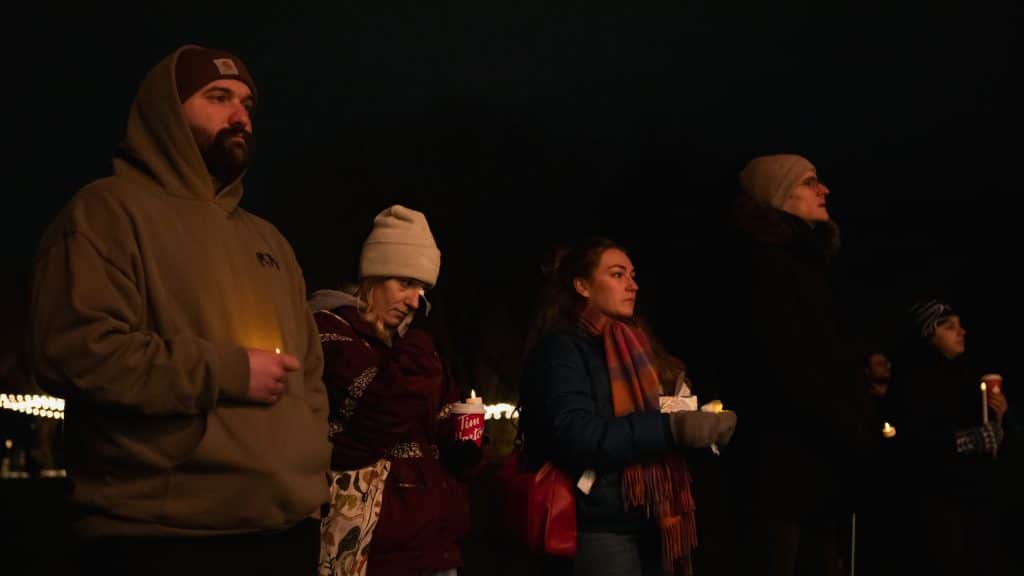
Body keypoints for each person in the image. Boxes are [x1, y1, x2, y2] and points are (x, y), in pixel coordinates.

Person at [29, 45, 330, 574]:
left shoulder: (269, 240)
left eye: (247, 103)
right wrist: (226, 371)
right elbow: (77, 352)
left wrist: (310, 462)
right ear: (167, 112)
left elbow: (312, 377)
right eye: (218, 97)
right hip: (162, 536)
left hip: (285, 533)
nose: (240, 116)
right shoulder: (106, 213)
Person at [518, 237, 736, 575]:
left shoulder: (639, 348)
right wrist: (670, 428)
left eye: (633, 275)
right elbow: (577, 436)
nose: (633, 285)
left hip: (648, 519)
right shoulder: (562, 351)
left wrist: (699, 426)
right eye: (618, 275)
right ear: (582, 286)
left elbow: (654, 423)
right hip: (598, 525)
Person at [310, 205, 476, 576]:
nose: (417, 300)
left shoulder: (412, 347)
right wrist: (416, 348)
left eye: (423, 288)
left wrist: (464, 441)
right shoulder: (329, 332)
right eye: (405, 283)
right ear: (372, 278)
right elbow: (377, 413)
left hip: (434, 546)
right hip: (370, 551)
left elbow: (442, 414)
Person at [722, 154, 865, 576]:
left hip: (816, 466)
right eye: (810, 182)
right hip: (783, 472)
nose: (825, 190)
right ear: (778, 196)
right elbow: (789, 367)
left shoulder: (807, 262)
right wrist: (849, 421)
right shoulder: (764, 268)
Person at [889, 299, 1012, 575]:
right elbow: (912, 440)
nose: (962, 332)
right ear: (929, 334)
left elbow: (988, 443)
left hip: (971, 502)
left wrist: (999, 419)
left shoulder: (964, 377)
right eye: (949, 327)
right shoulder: (913, 381)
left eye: (960, 325)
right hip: (935, 503)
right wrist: (966, 440)